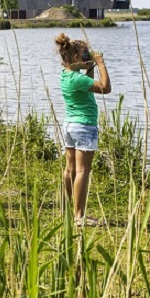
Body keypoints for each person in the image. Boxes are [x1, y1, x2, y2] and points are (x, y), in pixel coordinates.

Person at [54, 33, 111, 227]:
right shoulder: (77, 80)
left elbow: (88, 84)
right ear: (77, 58)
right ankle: (80, 216)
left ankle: (65, 207)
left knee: (70, 169)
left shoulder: (66, 75)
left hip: (70, 125)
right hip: (84, 126)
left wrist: (89, 67)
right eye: (85, 55)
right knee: (82, 171)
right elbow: (105, 87)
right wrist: (101, 63)